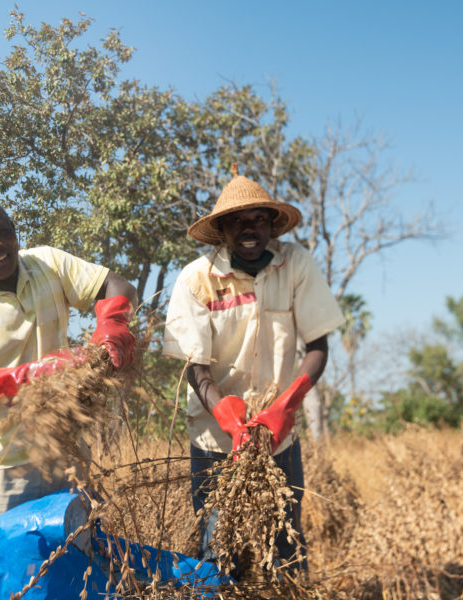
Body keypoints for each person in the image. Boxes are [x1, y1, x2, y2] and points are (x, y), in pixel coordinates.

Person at [163, 164, 345, 574]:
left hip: (277, 437)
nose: (249, 229)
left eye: (259, 219)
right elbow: (196, 364)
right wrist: (226, 414)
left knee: (285, 544)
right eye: (238, 222)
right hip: (216, 441)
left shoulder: (296, 265)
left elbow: (317, 345)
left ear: (273, 226)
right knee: (216, 548)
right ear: (223, 230)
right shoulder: (197, 279)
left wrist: (285, 406)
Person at [0, 195, 138, 544]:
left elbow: (117, 285)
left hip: (64, 456)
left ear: (14, 232)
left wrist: (113, 323)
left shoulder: (48, 264)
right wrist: (39, 375)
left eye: (2, 233)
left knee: (74, 567)